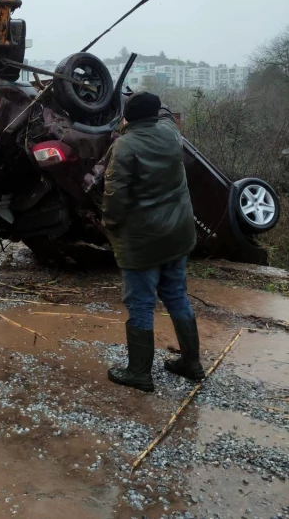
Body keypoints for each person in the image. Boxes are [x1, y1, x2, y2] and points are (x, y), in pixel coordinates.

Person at [102, 91, 204, 392]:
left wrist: (110, 226)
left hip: (142, 240)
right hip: (177, 234)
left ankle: (139, 373)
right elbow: (165, 114)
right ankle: (192, 363)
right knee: (176, 295)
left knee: (141, 303)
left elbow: (114, 197)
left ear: (127, 118)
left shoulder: (124, 146)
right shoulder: (172, 134)